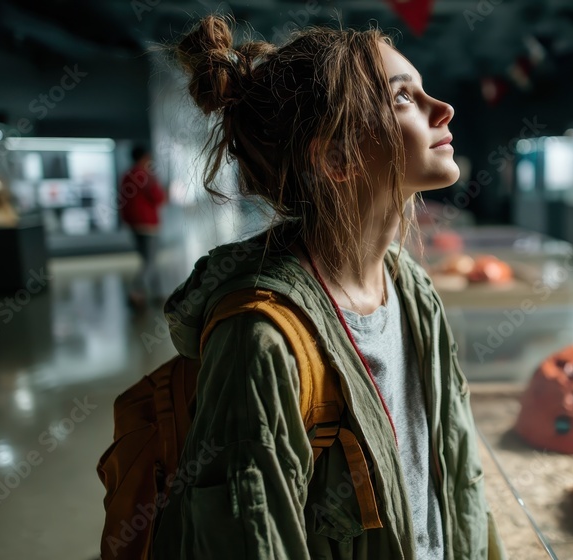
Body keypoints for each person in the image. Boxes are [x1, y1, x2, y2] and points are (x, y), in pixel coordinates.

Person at [152, 15, 506, 560]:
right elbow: (251, 541)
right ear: (336, 158)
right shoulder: (261, 340)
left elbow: (458, 476)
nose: (443, 109)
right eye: (403, 97)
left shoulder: (410, 287)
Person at [119, 145, 167, 308]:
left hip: (134, 224)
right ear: (145, 157)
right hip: (148, 224)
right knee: (150, 261)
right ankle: (135, 291)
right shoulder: (145, 174)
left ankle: (158, 293)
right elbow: (158, 197)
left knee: (149, 259)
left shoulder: (127, 175)